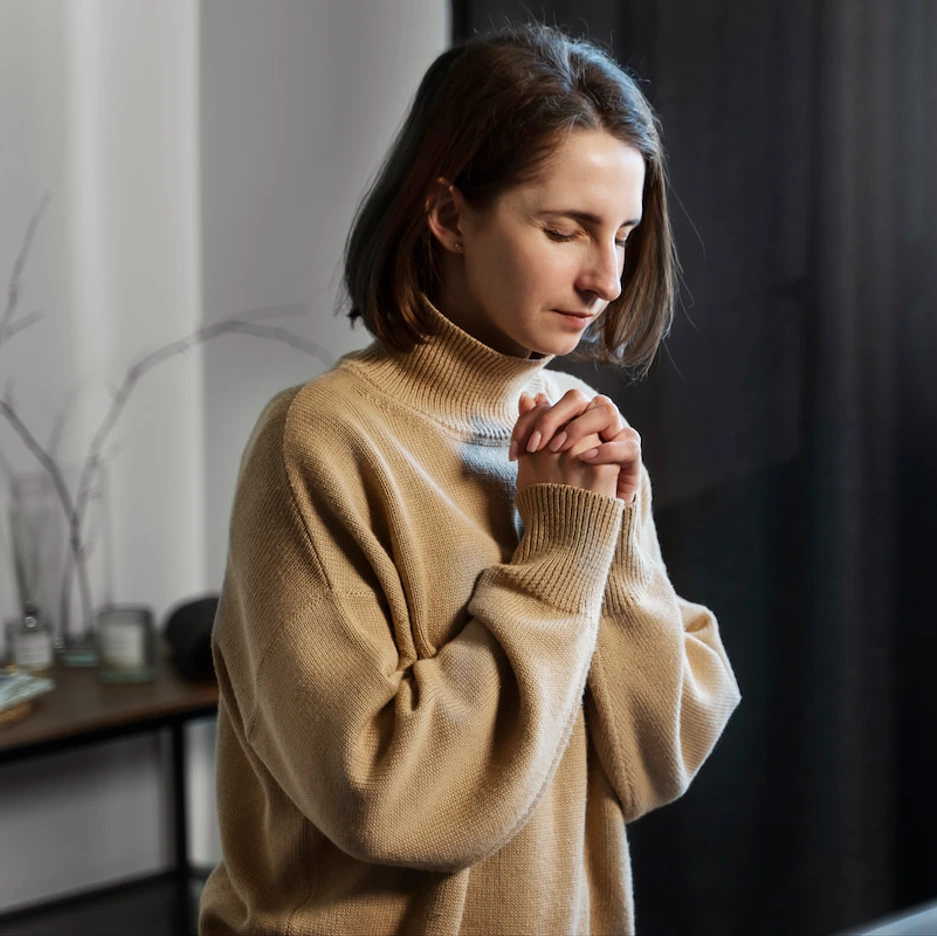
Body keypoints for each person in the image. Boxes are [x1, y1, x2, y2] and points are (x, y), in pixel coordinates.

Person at [197, 23, 741, 936]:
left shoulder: (575, 437)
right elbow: (386, 798)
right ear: (448, 215)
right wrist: (560, 558)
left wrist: (614, 544)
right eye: (564, 229)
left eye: (624, 234)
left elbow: (659, 754)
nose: (606, 276)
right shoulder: (322, 440)